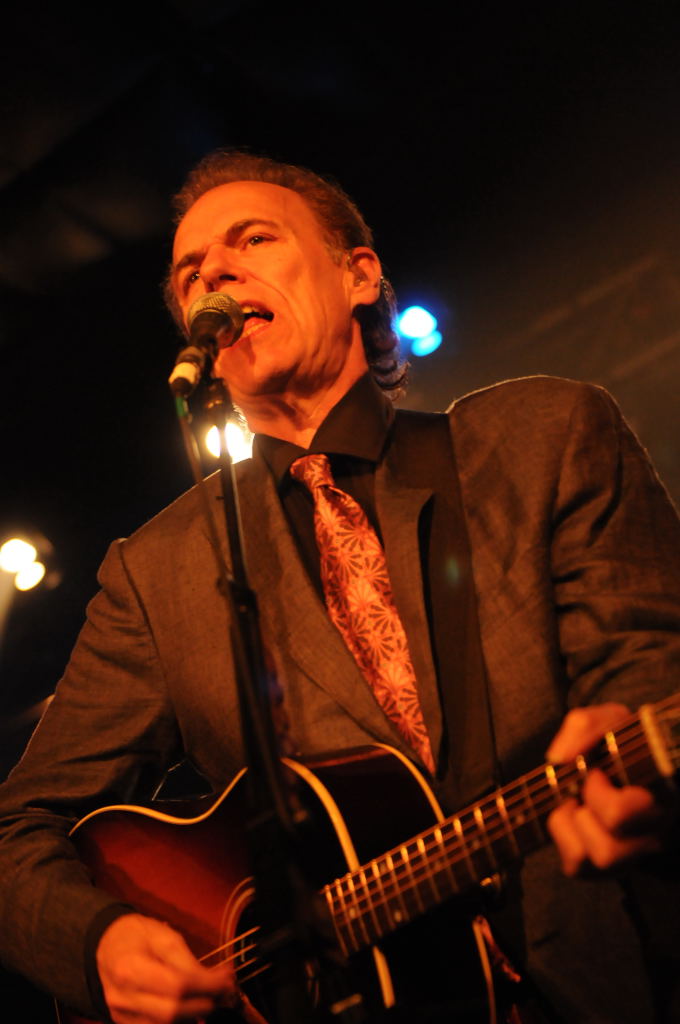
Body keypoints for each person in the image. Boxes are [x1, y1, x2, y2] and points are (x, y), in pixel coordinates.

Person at [0, 149, 679, 1024]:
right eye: (191, 273)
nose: (215, 273)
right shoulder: (156, 572)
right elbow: (17, 831)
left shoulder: (543, 435)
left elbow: (650, 665)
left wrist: (635, 747)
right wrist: (98, 944)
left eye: (253, 239)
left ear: (359, 275)